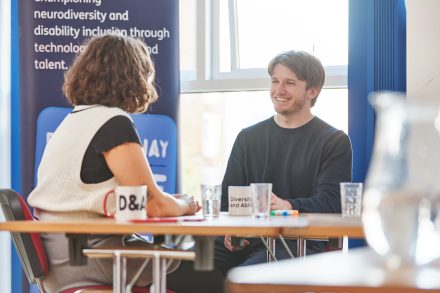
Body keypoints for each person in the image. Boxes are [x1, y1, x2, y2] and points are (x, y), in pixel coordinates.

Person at [28, 34, 222, 293]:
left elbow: (117, 198)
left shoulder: (74, 120)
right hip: (91, 258)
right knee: (209, 277)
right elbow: (155, 205)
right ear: (133, 78)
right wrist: (185, 204)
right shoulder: (112, 123)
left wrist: (165, 201)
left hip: (61, 261)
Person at [214, 50, 353, 276]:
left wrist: (289, 205)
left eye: (290, 83)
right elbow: (226, 200)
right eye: (275, 81)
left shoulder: (333, 140)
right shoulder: (248, 138)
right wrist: (231, 229)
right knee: (185, 265)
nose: (279, 90)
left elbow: (332, 202)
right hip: (246, 240)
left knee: (246, 277)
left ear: (312, 91)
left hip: (298, 243)